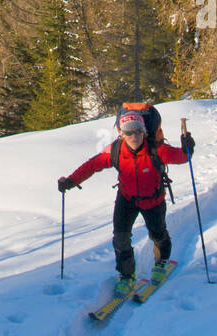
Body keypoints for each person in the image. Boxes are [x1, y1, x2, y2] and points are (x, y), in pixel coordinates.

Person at [58, 112, 194, 298]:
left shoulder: (156, 149)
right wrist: (71, 181)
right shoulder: (115, 151)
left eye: (138, 131)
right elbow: (92, 165)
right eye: (129, 132)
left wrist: (188, 147)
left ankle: (162, 262)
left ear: (144, 132)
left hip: (153, 200)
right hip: (127, 199)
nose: (134, 136)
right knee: (120, 239)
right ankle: (127, 275)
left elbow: (180, 157)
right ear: (121, 134)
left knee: (158, 233)